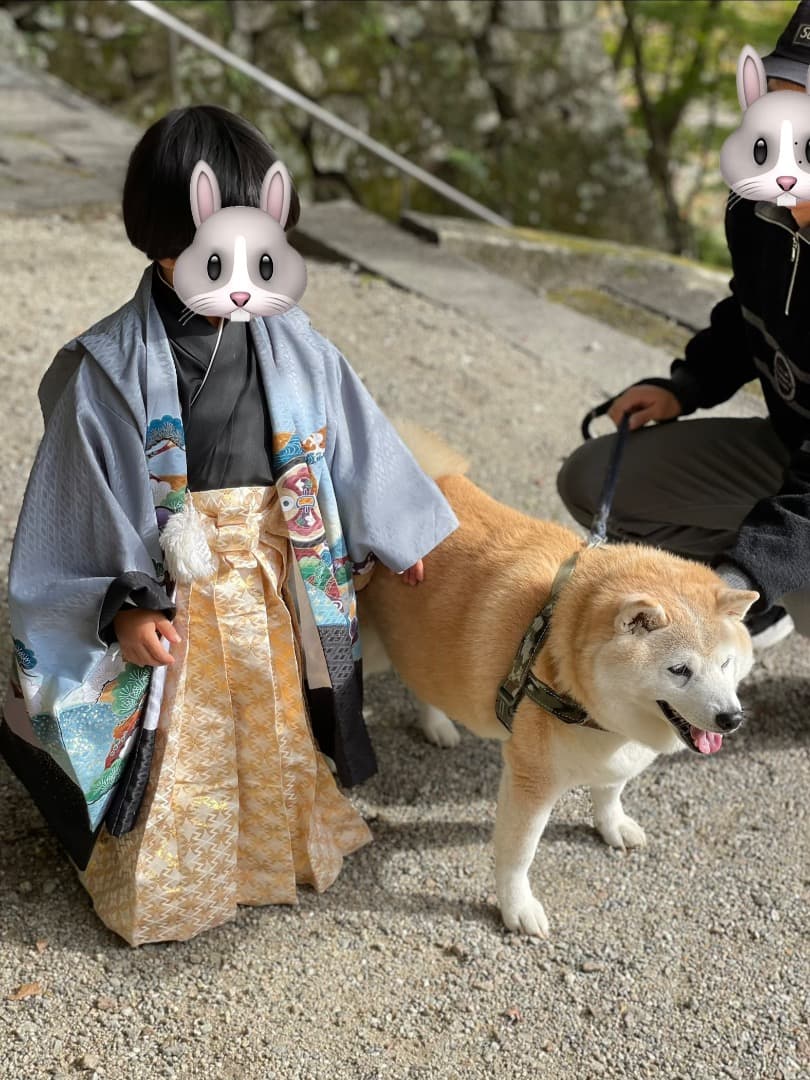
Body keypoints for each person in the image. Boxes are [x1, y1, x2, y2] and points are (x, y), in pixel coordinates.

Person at [1, 105, 458, 946]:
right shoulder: (111, 368)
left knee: (276, 711)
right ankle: (173, 882)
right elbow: (79, 498)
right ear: (162, 242)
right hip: (174, 583)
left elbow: (351, 431)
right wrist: (123, 607)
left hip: (269, 572)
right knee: (179, 742)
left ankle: (268, 851)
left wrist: (395, 527)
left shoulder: (293, 341)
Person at [557, 1, 810, 652]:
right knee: (592, 480)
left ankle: (765, 591)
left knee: (769, 567)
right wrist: (685, 385)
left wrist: (734, 580)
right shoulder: (757, 205)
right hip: (793, 451)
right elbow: (749, 309)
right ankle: (768, 602)